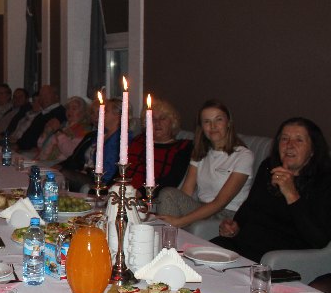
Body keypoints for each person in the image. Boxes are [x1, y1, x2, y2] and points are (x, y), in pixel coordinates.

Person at [211, 118, 331, 262]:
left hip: (277, 258)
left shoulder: (324, 180)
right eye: (284, 139)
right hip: (243, 245)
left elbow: (319, 239)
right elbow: (250, 207)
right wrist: (235, 225)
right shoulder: (269, 166)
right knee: (195, 257)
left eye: (299, 140)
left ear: (312, 150)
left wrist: (291, 193)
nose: (289, 145)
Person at [157, 99, 254, 228]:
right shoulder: (200, 152)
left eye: (218, 120)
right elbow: (186, 193)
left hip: (227, 215)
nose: (213, 126)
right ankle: (166, 238)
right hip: (201, 207)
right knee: (168, 194)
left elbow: (220, 202)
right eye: (207, 122)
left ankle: (167, 238)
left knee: (168, 196)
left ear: (228, 123)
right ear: (202, 127)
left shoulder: (243, 155)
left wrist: (180, 221)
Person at [125, 99, 192, 194]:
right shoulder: (138, 140)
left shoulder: (182, 147)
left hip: (148, 196)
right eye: (152, 119)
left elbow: (171, 180)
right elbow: (121, 170)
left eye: (163, 118)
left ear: (172, 122)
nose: (157, 123)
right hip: (122, 191)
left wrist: (140, 192)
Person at [58, 97, 125, 190]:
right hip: (86, 173)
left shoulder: (120, 139)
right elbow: (75, 157)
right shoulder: (94, 135)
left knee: (62, 175)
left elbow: (110, 169)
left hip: (101, 181)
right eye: (93, 113)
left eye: (105, 111)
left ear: (117, 115)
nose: (99, 115)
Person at [35, 96, 92, 163]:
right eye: (68, 108)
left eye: (74, 108)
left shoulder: (84, 130)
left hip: (59, 165)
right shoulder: (63, 125)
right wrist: (46, 132)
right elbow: (40, 145)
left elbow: (71, 153)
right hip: (43, 161)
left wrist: (58, 132)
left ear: (83, 112)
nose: (69, 111)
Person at [16, 85, 67, 152]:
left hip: (36, 151)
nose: (43, 98)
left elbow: (47, 137)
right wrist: (17, 145)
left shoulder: (60, 112)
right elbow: (29, 133)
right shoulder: (41, 114)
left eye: (46, 95)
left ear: (56, 96)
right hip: (23, 148)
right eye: (41, 95)